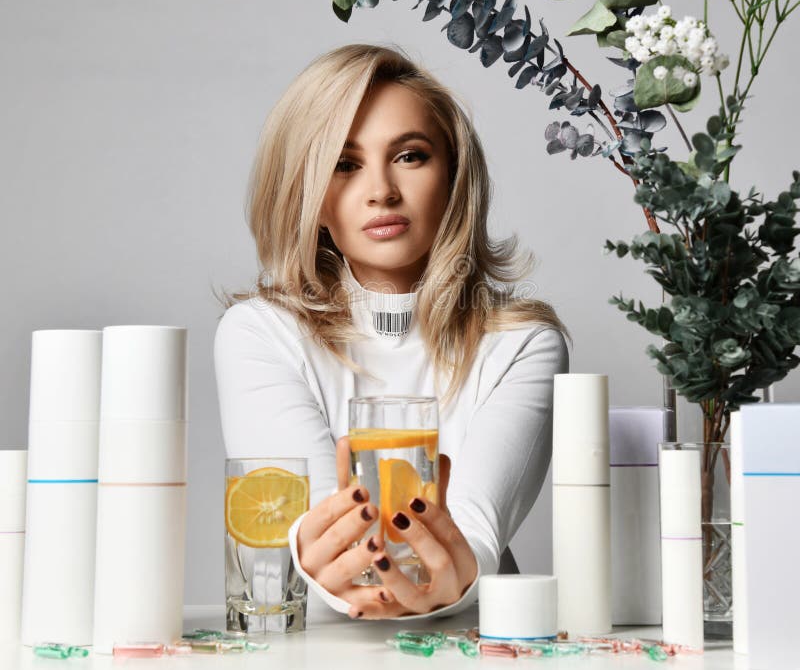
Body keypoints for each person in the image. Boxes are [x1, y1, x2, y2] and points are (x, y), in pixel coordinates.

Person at [214, 43, 569, 621]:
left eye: (409, 155)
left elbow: (476, 527)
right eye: (344, 164)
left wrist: (453, 574)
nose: (381, 189)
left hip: (474, 650)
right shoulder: (260, 333)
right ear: (311, 197)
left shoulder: (522, 342)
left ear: (452, 176)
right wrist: (322, 550)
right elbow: (312, 526)